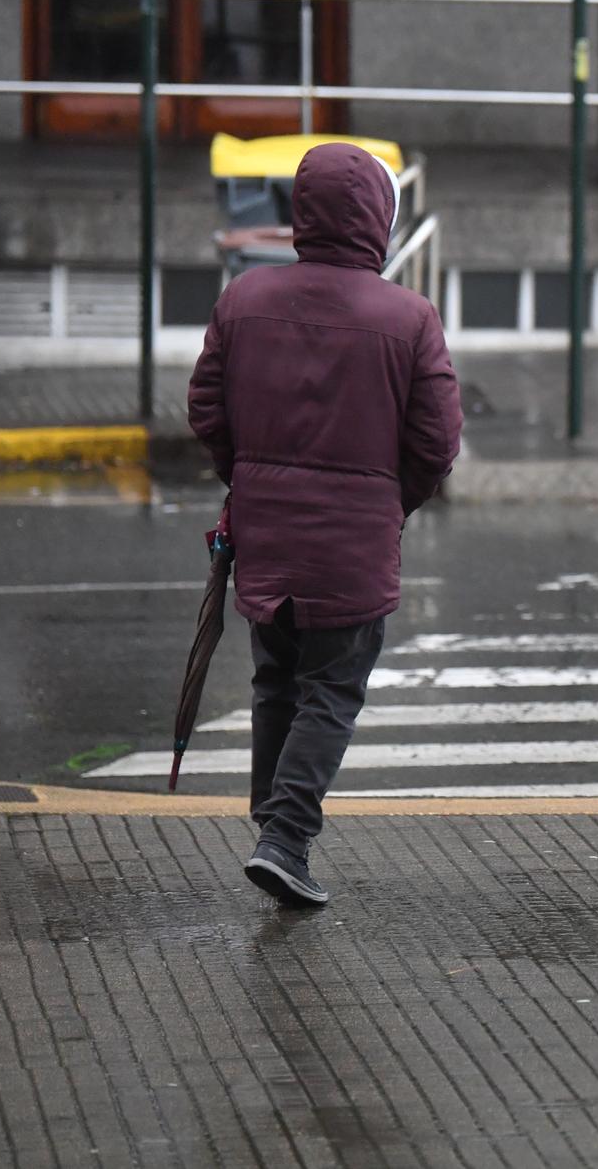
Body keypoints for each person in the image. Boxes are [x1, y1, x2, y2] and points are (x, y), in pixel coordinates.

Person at [187, 142, 463, 907]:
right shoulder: (409, 317)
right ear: (379, 216)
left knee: (277, 679)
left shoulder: (244, 299)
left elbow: (206, 409)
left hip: (265, 535)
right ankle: (284, 836)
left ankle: (270, 827)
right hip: (355, 542)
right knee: (332, 690)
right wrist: (389, 498)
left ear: (300, 211)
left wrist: (248, 480)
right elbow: (438, 441)